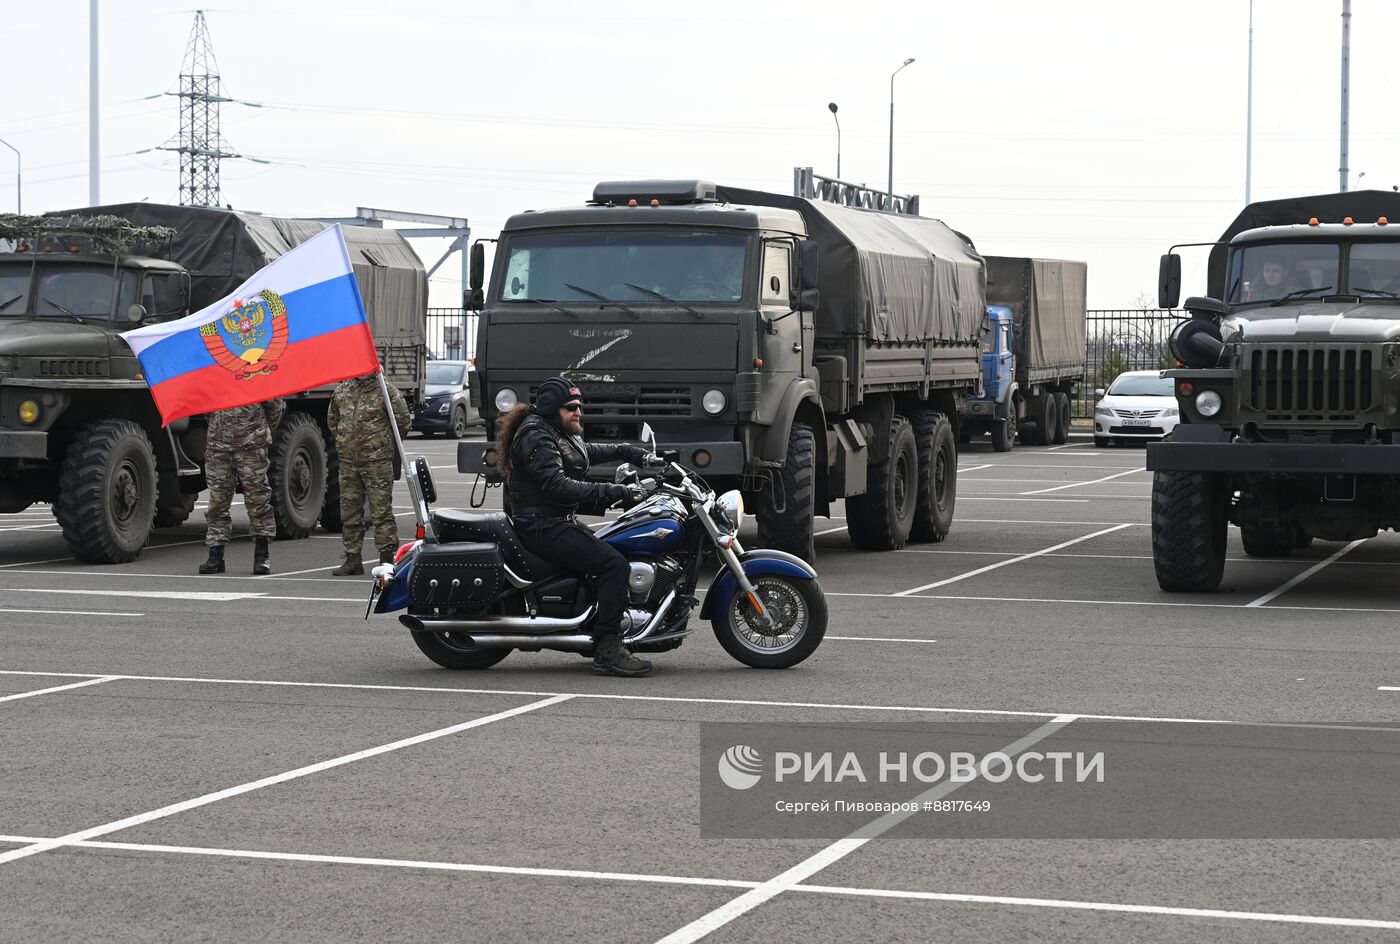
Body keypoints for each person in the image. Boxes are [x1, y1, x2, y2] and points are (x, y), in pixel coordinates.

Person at [497, 376, 655, 677]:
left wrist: (631, 452)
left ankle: (597, 624)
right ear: (551, 408)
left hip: (554, 521)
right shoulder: (535, 437)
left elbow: (586, 452)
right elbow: (556, 485)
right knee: (614, 566)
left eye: (579, 406)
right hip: (541, 526)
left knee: (614, 546)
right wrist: (615, 492)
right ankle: (607, 649)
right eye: (571, 407)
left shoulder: (556, 432)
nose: (578, 412)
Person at [327, 372, 411, 576]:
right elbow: (333, 421)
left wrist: (381, 445)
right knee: (349, 513)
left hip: (377, 463)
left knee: (381, 512)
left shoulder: (387, 391)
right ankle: (352, 559)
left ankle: (386, 560)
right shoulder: (342, 390)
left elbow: (403, 423)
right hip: (349, 463)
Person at [199, 397, 285, 575]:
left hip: (251, 446)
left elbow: (274, 407)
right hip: (219, 446)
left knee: (258, 499)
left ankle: (262, 555)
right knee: (217, 501)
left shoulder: (257, 371)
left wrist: (258, 432)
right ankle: (215, 555)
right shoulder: (215, 374)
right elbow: (206, 408)